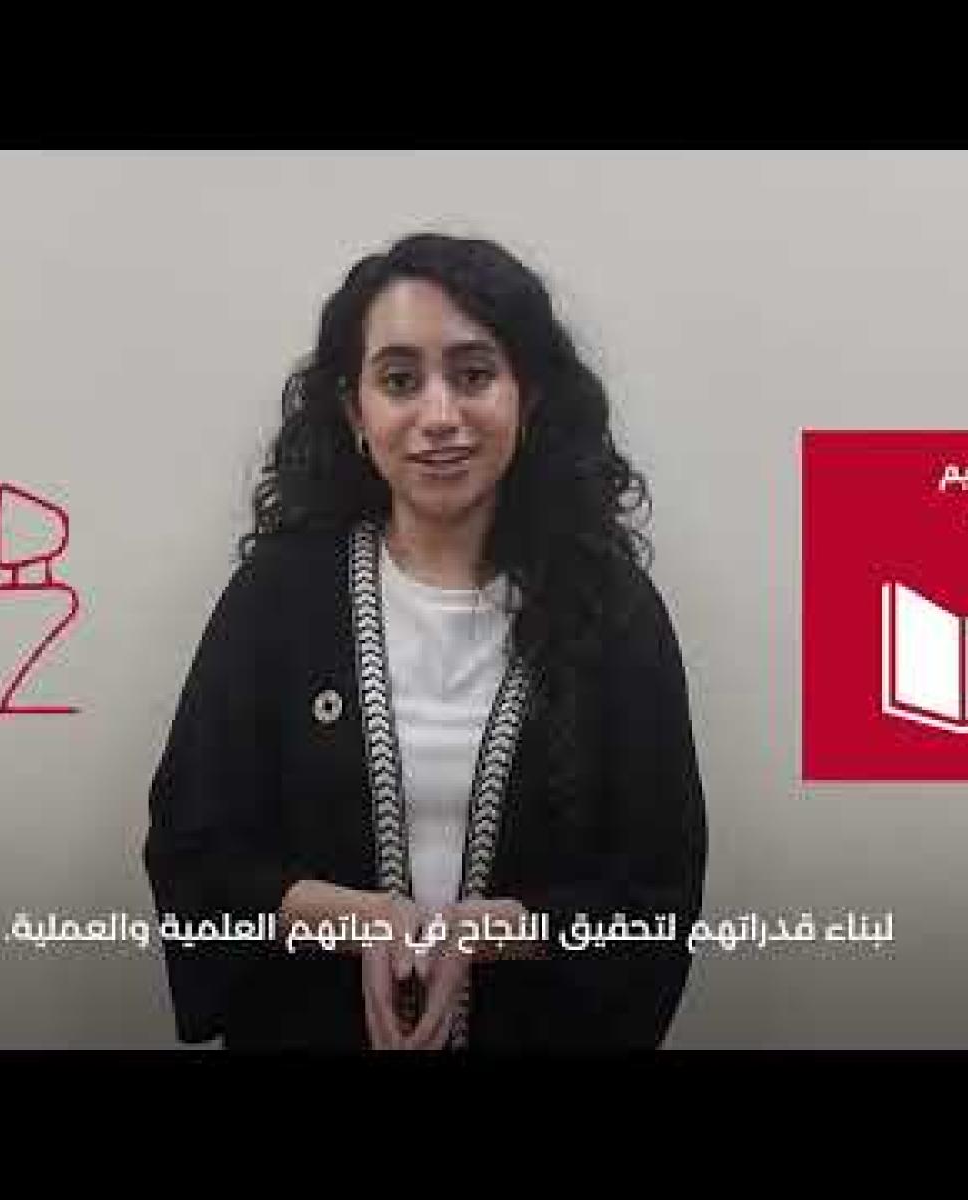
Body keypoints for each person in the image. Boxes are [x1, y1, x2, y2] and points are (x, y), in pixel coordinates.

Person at [143, 232, 707, 1051]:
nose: (439, 417)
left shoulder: (611, 612)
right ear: (355, 412)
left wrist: (496, 933)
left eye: (474, 375)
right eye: (400, 380)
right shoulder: (279, 597)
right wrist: (362, 920)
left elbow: (658, 887)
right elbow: (194, 850)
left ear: (529, 398)